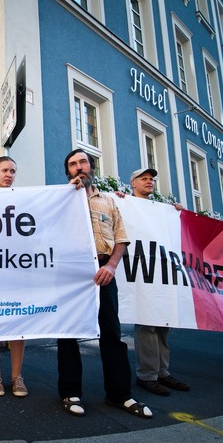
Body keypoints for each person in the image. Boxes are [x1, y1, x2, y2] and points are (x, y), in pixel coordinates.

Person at [57, 149, 152, 419]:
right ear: (68, 171)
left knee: (111, 333)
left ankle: (119, 394)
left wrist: (111, 265)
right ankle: (70, 391)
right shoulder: (60, 199)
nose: (79, 168)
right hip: (71, 274)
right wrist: (69, 195)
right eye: (73, 164)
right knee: (68, 334)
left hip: (104, 271)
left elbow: (121, 237)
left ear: (91, 167)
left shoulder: (110, 201)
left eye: (83, 162)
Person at [127, 168, 190, 396]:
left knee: (164, 322)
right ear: (133, 183)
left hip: (162, 272)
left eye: (151, 179)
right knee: (146, 323)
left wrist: (177, 215)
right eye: (144, 179)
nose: (149, 182)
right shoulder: (126, 204)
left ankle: (163, 372)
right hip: (141, 272)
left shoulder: (162, 210)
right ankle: (148, 375)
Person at [0, 156, 28, 398]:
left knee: (17, 323)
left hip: (16, 271)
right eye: (4, 170)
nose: (9, 174)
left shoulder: (21, 201)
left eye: (13, 170)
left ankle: (17, 377)